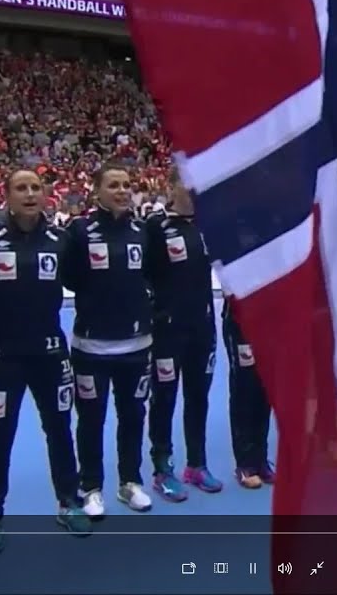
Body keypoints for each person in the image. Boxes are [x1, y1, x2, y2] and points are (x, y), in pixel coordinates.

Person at [0, 169, 91, 555]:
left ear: (45, 195)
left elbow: (77, 282)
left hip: (51, 355)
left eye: (36, 188)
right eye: (21, 188)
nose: (29, 194)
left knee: (59, 429)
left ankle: (69, 501)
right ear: (6, 195)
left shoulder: (61, 239)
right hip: (3, 358)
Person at [63, 161, 155, 516]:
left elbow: (151, 273)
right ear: (97, 190)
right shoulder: (80, 231)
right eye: (113, 185)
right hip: (91, 347)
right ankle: (91, 487)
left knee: (133, 415)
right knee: (91, 418)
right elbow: (70, 278)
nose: (121, 191)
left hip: (136, 346)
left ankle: (130, 483)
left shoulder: (142, 230)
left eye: (126, 185)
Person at [145, 168, 223, 501]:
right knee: (163, 399)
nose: (192, 189)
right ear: (170, 186)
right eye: (184, 182)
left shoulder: (209, 225)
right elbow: (142, 274)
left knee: (198, 397)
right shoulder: (155, 226)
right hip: (166, 331)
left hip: (203, 327)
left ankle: (197, 465)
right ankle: (163, 469)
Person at [224, 293, 275, 487]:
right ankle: (245, 463)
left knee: (264, 388)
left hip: (268, 319)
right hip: (240, 319)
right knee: (244, 388)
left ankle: (260, 459)